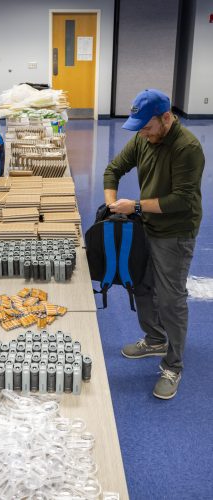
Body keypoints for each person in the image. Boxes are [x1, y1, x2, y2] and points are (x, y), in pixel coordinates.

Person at [104, 88, 205, 399]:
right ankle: (155, 338)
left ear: (166, 118)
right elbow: (113, 170)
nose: (144, 135)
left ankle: (173, 365)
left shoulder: (187, 148)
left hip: (175, 230)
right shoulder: (143, 137)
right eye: (140, 129)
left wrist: (133, 206)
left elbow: (180, 201)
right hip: (146, 223)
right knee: (142, 284)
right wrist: (112, 209)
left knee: (171, 298)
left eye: (148, 128)